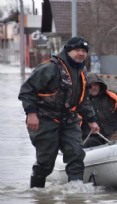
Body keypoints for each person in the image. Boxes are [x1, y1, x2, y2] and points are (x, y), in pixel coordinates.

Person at [18, 36, 100, 188]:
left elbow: (82, 100)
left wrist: (91, 120)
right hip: (44, 119)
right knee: (46, 162)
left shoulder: (82, 70)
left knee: (76, 154)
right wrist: (31, 114)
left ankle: (76, 192)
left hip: (69, 120)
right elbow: (26, 91)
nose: (81, 54)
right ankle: (37, 192)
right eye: (77, 50)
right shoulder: (50, 68)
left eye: (84, 51)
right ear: (68, 51)